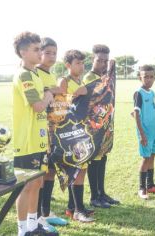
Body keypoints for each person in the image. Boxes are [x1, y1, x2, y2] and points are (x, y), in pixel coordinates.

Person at [12, 31, 56, 236]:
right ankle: (22, 231)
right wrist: (48, 95)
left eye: (41, 48)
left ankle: (32, 225)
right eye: (36, 49)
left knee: (37, 182)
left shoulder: (36, 74)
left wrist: (48, 99)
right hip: (26, 140)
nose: (40, 53)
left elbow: (44, 107)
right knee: (25, 186)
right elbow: (38, 106)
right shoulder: (23, 75)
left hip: (39, 139)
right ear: (22, 52)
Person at [57, 49, 95, 223]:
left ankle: (72, 207)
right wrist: (75, 95)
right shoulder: (63, 81)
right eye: (77, 63)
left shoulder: (81, 80)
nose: (81, 66)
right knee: (77, 171)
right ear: (68, 65)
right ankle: (79, 211)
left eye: (82, 63)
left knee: (82, 170)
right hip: (70, 134)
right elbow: (59, 108)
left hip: (82, 132)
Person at [36, 37, 68, 231]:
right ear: (39, 53)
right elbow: (45, 94)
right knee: (41, 174)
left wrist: (54, 89)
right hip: (41, 133)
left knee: (51, 172)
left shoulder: (50, 74)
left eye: (54, 53)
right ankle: (38, 216)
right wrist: (53, 89)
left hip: (55, 131)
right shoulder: (35, 73)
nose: (51, 56)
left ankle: (46, 212)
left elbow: (59, 92)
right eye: (47, 52)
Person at [83, 44, 120, 208]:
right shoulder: (88, 78)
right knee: (94, 160)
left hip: (106, 126)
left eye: (106, 61)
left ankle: (102, 192)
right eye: (100, 60)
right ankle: (94, 196)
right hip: (93, 127)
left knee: (102, 158)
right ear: (93, 59)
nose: (103, 64)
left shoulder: (106, 77)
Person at [133, 65, 155, 199]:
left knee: (152, 156)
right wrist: (141, 133)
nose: (149, 79)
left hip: (153, 131)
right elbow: (136, 113)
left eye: (151, 76)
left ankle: (150, 185)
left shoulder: (151, 93)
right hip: (145, 133)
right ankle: (142, 188)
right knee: (145, 158)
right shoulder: (138, 93)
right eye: (145, 76)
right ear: (140, 77)